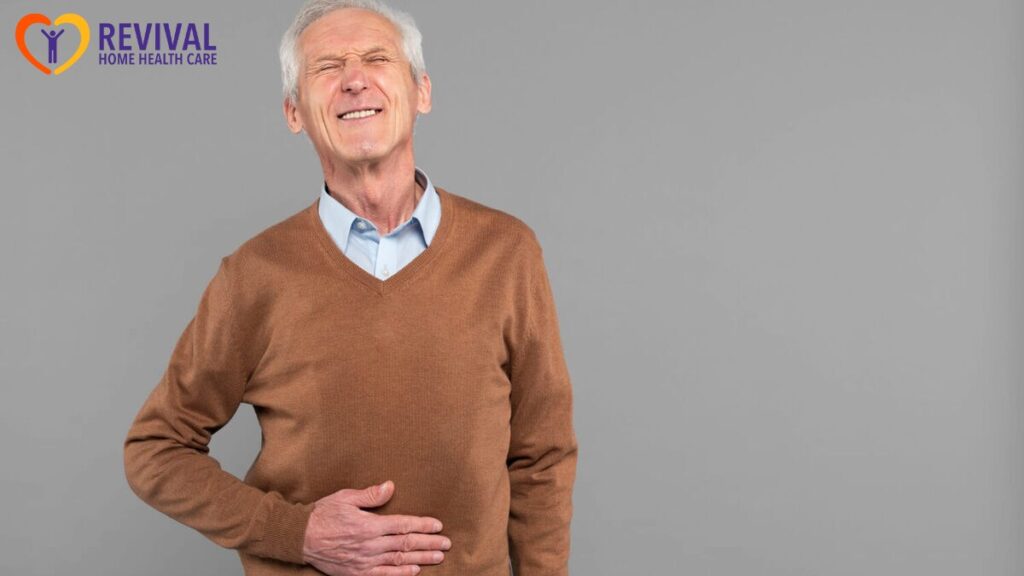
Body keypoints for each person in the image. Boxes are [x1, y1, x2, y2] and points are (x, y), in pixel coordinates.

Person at [122, 1, 578, 575]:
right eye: (326, 67)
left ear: (422, 93)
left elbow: (542, 457)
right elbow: (155, 451)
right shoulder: (254, 275)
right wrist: (295, 532)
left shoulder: (507, 252)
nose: (354, 79)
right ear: (294, 112)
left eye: (376, 58)